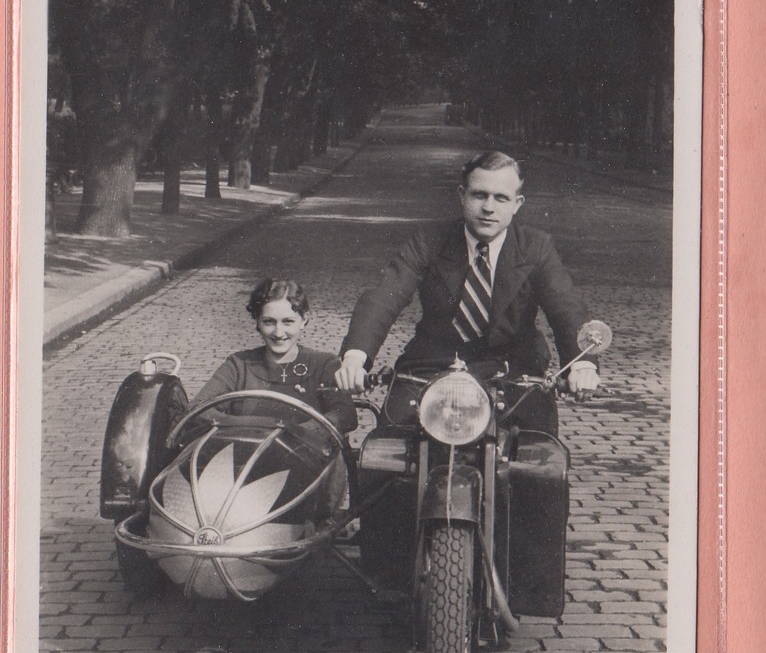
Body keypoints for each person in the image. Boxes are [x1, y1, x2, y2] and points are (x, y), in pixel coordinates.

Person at [334, 150, 598, 427]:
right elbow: (384, 297)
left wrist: (582, 366)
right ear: (462, 195)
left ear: (517, 204)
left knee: (541, 456)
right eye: (479, 195)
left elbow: (565, 307)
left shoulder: (536, 247)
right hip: (431, 366)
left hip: (513, 372)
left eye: (501, 198)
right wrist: (355, 358)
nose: (488, 207)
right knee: (388, 443)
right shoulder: (429, 242)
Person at [192, 279, 357, 519]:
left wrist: (301, 431)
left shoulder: (324, 363)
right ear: (257, 323)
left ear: (304, 320)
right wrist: (256, 429)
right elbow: (199, 408)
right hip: (243, 470)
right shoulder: (239, 364)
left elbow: (345, 413)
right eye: (269, 322)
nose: (279, 333)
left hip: (305, 470)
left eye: (288, 321)